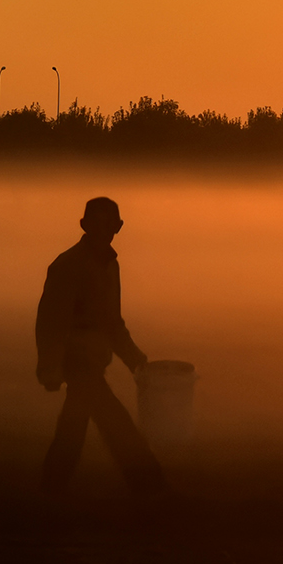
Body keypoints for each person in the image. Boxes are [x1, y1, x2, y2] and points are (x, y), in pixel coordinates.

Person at [35, 196, 166, 497]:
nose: (105, 229)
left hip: (93, 362)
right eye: (98, 222)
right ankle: (152, 487)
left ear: (119, 227)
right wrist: (51, 367)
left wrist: (135, 359)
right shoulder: (68, 266)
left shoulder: (109, 266)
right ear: (84, 225)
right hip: (77, 362)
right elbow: (52, 322)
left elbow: (112, 322)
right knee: (117, 425)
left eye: (111, 223)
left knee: (72, 429)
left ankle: (50, 492)